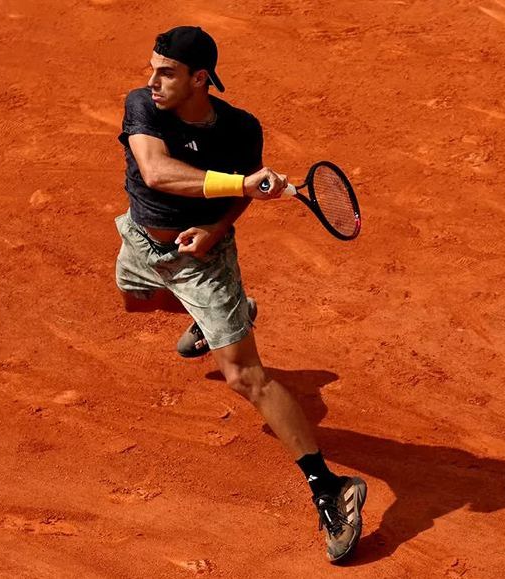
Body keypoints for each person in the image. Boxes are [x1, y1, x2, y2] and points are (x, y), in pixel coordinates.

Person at [114, 25, 367, 563]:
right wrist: (242, 184)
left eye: (167, 72)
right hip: (139, 239)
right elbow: (156, 173)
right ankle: (215, 324)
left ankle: (330, 488)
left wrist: (216, 226)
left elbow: (247, 190)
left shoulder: (241, 129)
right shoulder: (143, 106)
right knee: (135, 301)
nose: (152, 81)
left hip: (204, 261)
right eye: (152, 68)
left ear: (199, 79)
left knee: (244, 376)